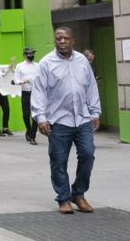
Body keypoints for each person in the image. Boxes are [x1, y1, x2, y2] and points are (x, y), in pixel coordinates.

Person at [32, 27, 100, 215]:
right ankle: (63, 198)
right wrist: (41, 117)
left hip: (82, 118)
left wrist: (95, 112)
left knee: (88, 154)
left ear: (73, 40)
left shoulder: (82, 61)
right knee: (59, 160)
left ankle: (78, 193)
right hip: (58, 120)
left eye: (66, 38)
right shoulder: (46, 63)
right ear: (55, 40)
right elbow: (39, 91)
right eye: (58, 38)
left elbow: (91, 87)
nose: (62, 41)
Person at [15, 47, 39, 145]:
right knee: (26, 115)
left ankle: (33, 136)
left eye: (32, 53)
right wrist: (23, 81)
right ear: (24, 55)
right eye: (29, 54)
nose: (31, 55)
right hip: (25, 92)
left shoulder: (38, 65)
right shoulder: (20, 66)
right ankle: (28, 129)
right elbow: (16, 80)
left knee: (36, 115)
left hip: (36, 92)